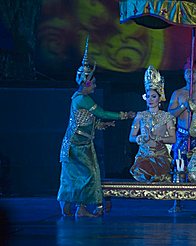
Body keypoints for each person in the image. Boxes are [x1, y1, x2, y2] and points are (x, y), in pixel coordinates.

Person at [57, 36, 135, 218]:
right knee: (89, 175)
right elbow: (101, 112)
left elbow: (88, 119)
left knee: (77, 175)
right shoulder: (82, 98)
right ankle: (80, 208)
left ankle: (71, 203)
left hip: (79, 142)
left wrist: (101, 125)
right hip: (78, 144)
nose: (96, 85)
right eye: (94, 82)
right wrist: (125, 115)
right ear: (87, 82)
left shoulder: (79, 98)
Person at [167, 58, 196, 213]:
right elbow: (171, 114)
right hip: (182, 135)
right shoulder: (178, 93)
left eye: (194, 72)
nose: (191, 75)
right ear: (184, 74)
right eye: (188, 72)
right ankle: (177, 202)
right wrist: (185, 105)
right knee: (179, 168)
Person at [129, 65, 176, 182]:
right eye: (148, 96)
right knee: (141, 171)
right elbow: (131, 137)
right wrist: (140, 138)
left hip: (161, 156)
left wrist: (157, 138)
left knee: (160, 176)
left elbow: (173, 139)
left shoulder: (167, 117)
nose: (150, 99)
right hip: (144, 155)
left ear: (160, 98)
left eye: (153, 96)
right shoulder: (140, 116)